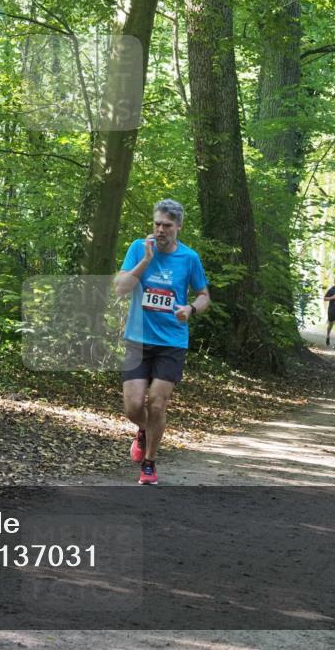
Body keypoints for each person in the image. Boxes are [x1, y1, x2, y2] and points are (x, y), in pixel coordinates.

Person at [114, 199, 210, 485]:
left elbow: (204, 295)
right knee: (132, 407)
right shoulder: (137, 249)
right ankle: (144, 430)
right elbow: (120, 289)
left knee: (157, 403)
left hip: (171, 341)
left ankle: (149, 463)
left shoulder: (189, 258)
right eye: (157, 224)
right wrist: (145, 260)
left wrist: (191, 309)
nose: (160, 230)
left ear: (178, 227)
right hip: (137, 339)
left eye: (167, 225)